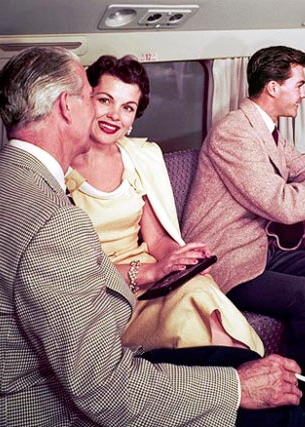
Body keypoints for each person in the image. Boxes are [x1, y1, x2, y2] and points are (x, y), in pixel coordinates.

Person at [0, 46, 303, 427]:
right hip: (48, 407)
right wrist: (237, 389)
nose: (105, 113)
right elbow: (105, 390)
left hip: (46, 373)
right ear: (67, 107)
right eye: (92, 98)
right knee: (275, 410)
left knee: (233, 358)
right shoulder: (54, 222)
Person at [182, 45, 305, 427]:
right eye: (298, 85)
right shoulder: (234, 133)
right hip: (225, 258)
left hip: (258, 248)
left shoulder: (268, 131)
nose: (303, 94)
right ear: (273, 87)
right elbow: (281, 204)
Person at [66, 54, 264, 355]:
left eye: (127, 108)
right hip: (103, 292)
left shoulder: (139, 158)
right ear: (85, 99)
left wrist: (180, 260)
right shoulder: (59, 167)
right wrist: (151, 272)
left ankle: (247, 369)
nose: (114, 116)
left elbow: (158, 239)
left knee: (200, 290)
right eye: (105, 100)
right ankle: (247, 371)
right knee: (196, 314)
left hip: (152, 277)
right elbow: (72, 269)